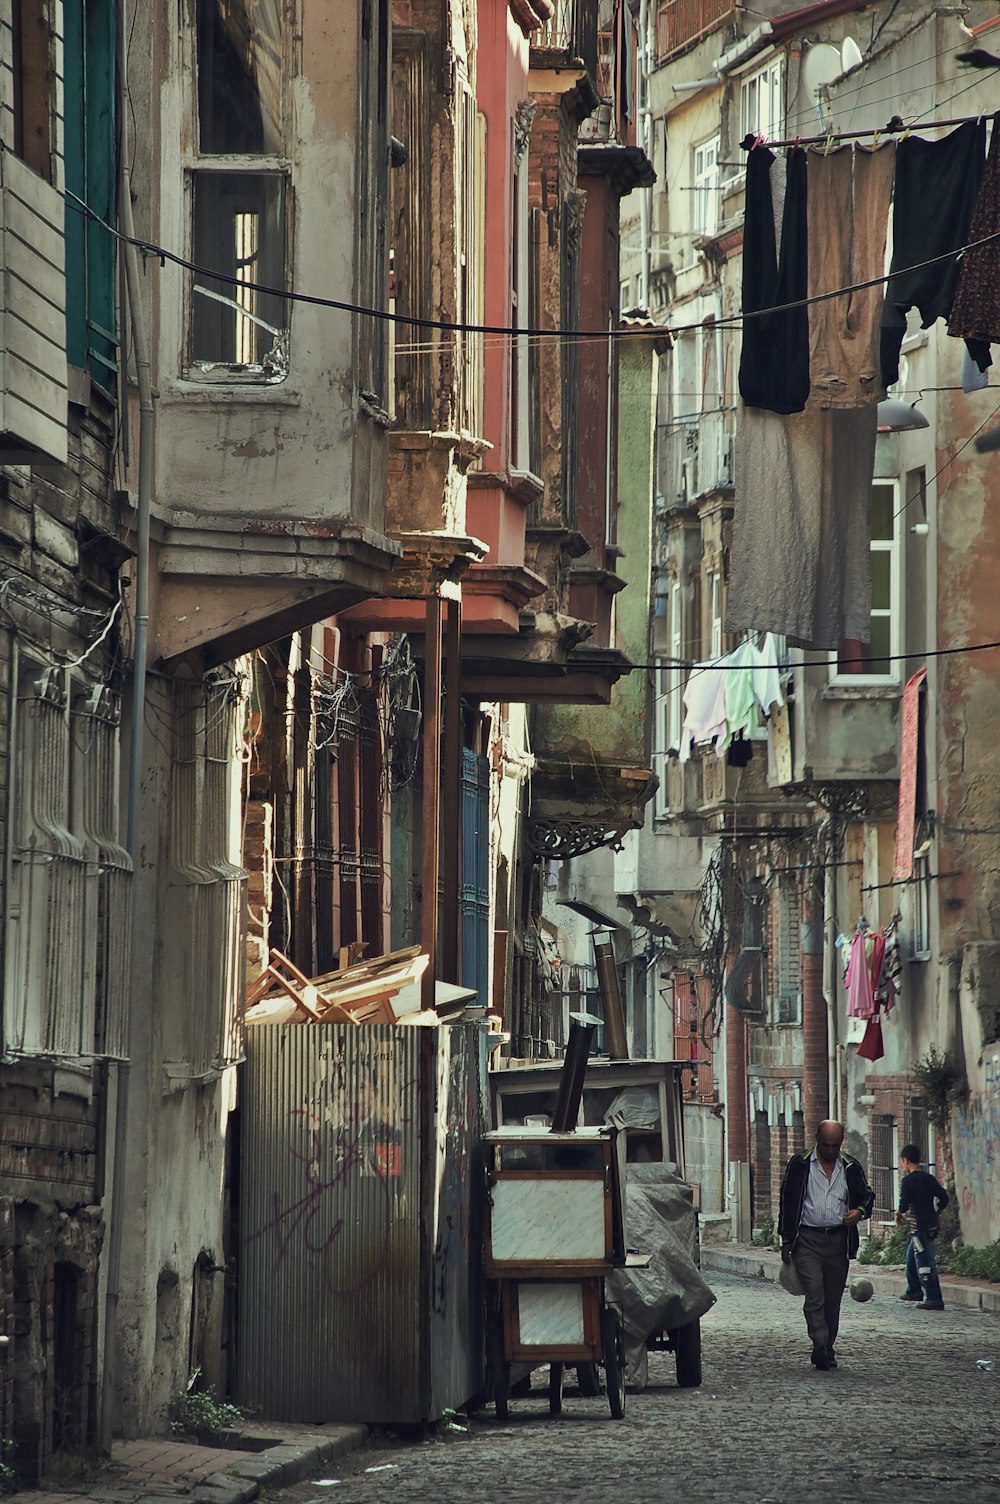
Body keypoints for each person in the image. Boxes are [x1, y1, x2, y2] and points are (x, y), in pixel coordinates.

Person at [778, 1120, 875, 1370]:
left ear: (841, 1142)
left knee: (832, 1299)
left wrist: (859, 1212)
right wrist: (786, 1239)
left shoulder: (851, 1167)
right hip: (807, 1239)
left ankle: (828, 1347)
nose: (830, 1151)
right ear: (816, 1139)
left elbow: (866, 1195)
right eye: (825, 1145)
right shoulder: (800, 1164)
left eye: (835, 1145)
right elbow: (787, 1200)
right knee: (815, 1295)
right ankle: (819, 1344)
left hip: (838, 1241)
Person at [896, 1143, 949, 1310]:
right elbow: (944, 1198)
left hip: (920, 1229)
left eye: (902, 1162)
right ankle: (914, 1291)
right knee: (911, 1259)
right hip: (931, 1225)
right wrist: (937, 1213)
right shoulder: (929, 1178)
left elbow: (903, 1205)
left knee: (924, 1263)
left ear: (905, 1161)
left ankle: (934, 1298)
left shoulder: (908, 1181)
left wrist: (898, 1213)